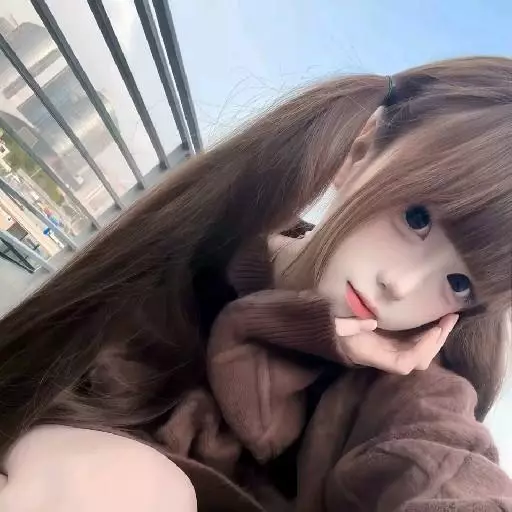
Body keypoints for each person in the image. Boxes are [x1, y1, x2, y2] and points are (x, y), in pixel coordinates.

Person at [0, 56, 511, 511]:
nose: (400, 285)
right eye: (417, 218)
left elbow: (448, 471)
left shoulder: (414, 393)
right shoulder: (205, 237)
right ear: (360, 150)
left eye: (458, 282)